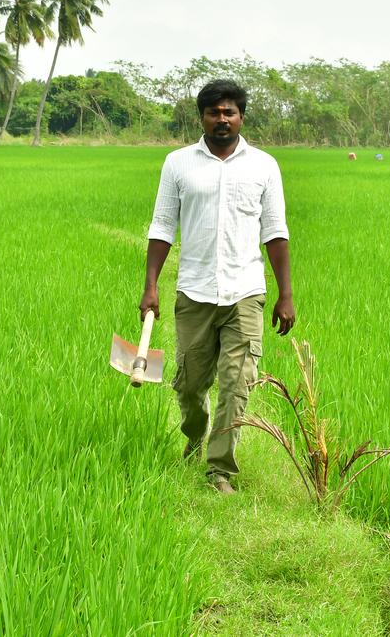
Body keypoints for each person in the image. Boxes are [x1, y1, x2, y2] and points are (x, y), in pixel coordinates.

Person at [141, 79, 295, 495]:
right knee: (189, 386)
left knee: (237, 383)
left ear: (241, 116)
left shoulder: (264, 165)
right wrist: (151, 286)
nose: (222, 119)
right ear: (202, 118)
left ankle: (219, 470)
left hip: (245, 291)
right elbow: (162, 226)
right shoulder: (178, 164)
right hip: (193, 292)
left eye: (230, 112)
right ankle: (196, 432)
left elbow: (275, 231)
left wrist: (285, 294)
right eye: (214, 112)